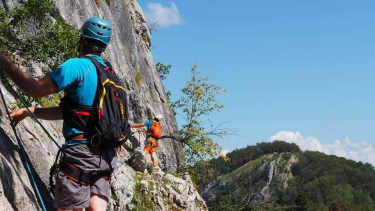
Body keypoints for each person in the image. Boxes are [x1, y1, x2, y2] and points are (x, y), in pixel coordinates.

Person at [0, 17, 116, 211]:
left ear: (81, 40)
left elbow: (35, 89)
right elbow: (75, 113)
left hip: (81, 154)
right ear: (104, 46)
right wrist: (31, 112)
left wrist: (3, 61)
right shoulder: (110, 74)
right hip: (106, 157)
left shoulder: (78, 66)